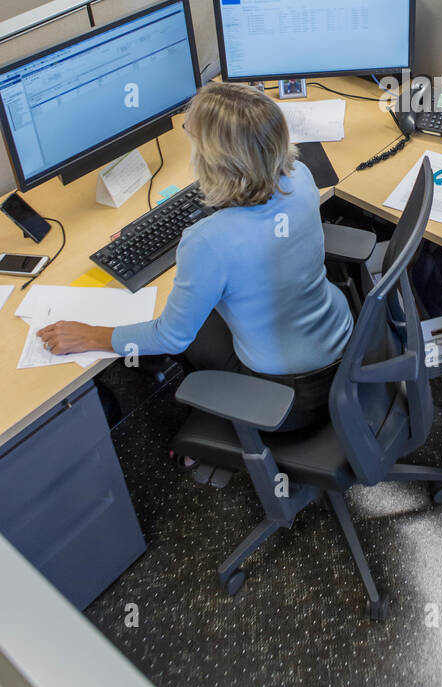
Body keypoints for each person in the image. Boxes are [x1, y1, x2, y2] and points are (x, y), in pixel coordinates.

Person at [38, 82, 354, 430]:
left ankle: (215, 423)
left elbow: (172, 336)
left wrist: (92, 335)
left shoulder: (207, 242)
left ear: (212, 160)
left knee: (180, 331)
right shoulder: (301, 177)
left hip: (290, 397)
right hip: (344, 345)